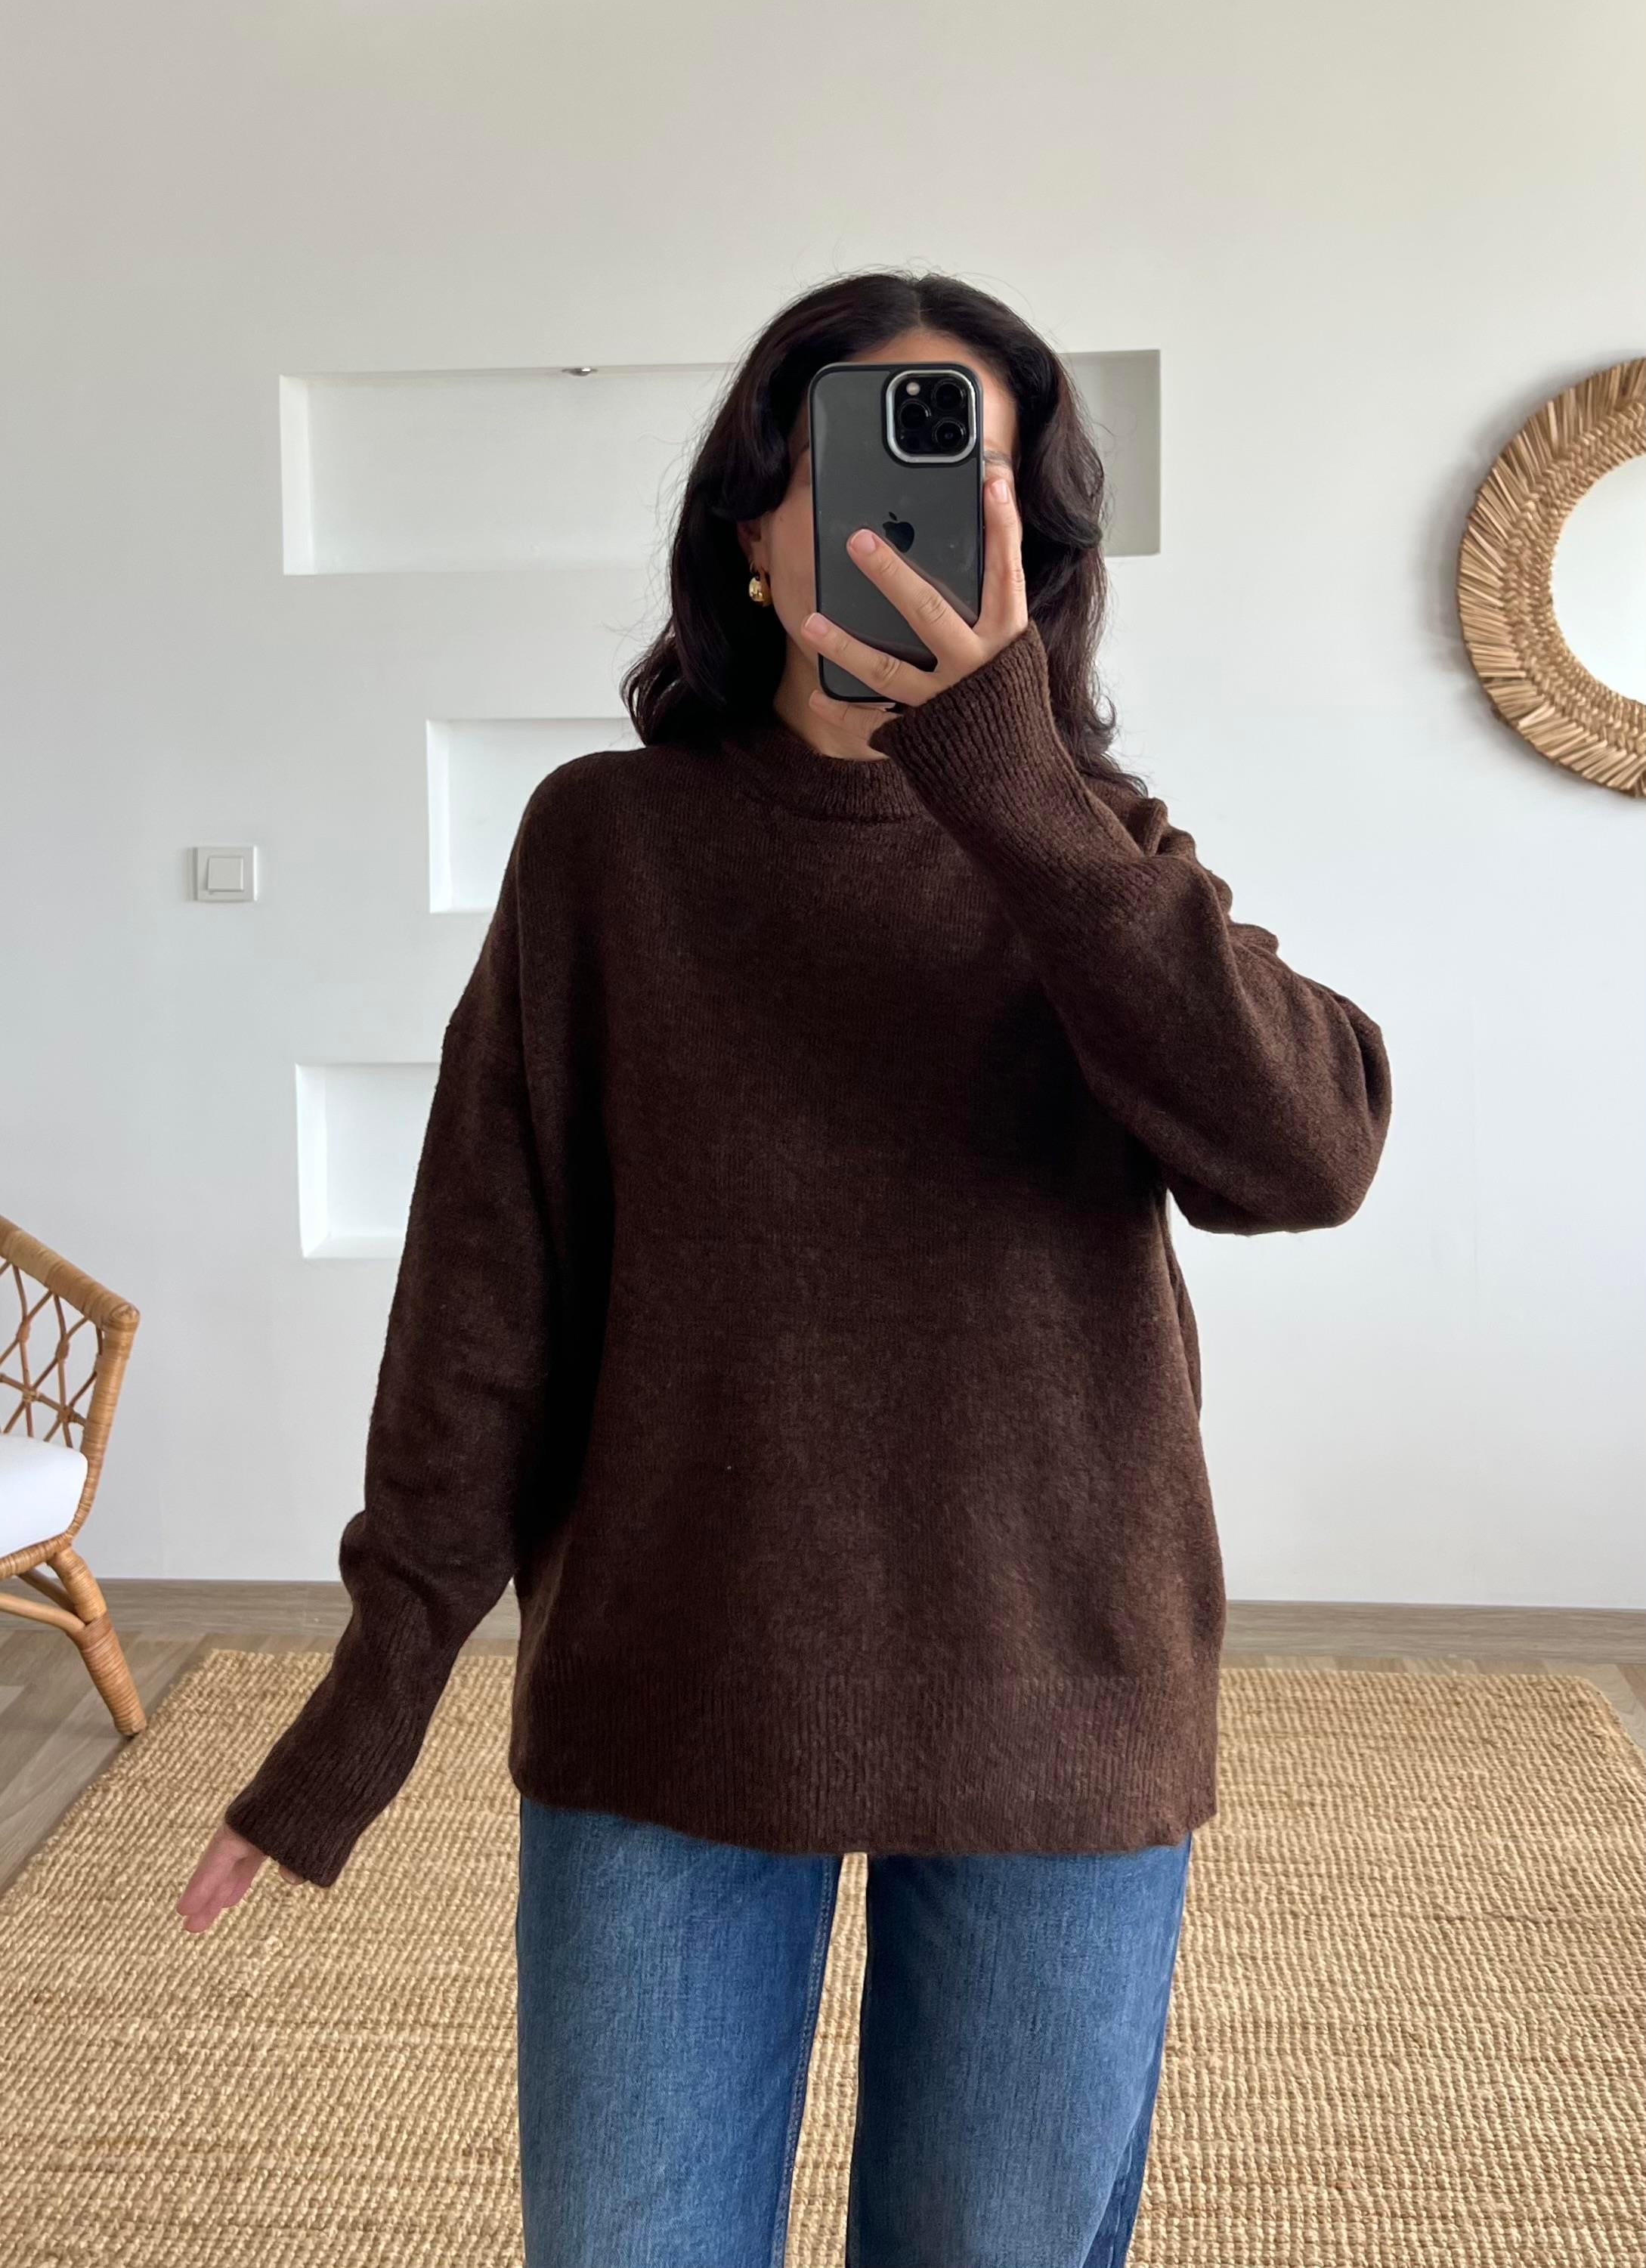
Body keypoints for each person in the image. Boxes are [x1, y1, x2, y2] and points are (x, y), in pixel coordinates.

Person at [178, 268, 1393, 2266]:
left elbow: (1310, 1150)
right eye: (863, 465)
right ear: (754, 519)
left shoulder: (1094, 855)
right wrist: (371, 1699)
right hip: (674, 1681)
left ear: (1033, 552)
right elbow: (484, 1300)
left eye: (975, 483)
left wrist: (1012, 787)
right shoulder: (607, 847)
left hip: (1056, 1685)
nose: (916, 525)